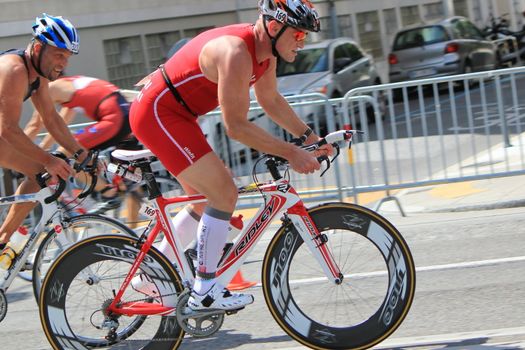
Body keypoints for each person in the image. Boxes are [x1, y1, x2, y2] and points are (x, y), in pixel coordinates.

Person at [129, 0, 332, 311]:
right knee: (223, 191)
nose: (302, 43)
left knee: (203, 200)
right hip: (159, 112)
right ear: (275, 27)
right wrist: (291, 152)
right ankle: (205, 289)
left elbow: (270, 100)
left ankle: (151, 275)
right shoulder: (237, 52)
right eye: (299, 35)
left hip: (179, 115)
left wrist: (311, 138)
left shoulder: (265, 55)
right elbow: (235, 126)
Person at [0, 14, 87, 251]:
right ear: (38, 47)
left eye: (67, 57)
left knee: (42, 174)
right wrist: (48, 159)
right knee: (43, 168)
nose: (63, 63)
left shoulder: (38, 76)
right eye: (59, 54)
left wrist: (82, 154)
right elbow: (7, 129)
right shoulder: (14, 70)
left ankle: (3, 242)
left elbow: (51, 118)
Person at [24, 75, 133, 213]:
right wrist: (43, 150)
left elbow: (35, 125)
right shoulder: (69, 86)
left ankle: (109, 194)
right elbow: (59, 127)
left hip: (114, 118)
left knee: (66, 155)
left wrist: (16, 151)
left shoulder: (50, 88)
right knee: (67, 151)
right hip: (123, 115)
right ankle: (116, 188)